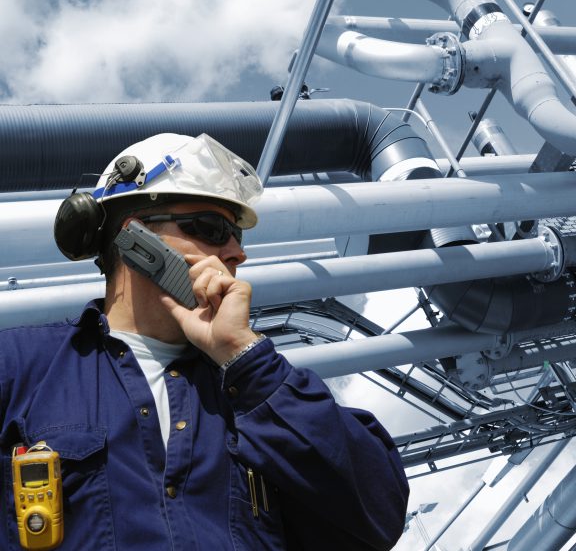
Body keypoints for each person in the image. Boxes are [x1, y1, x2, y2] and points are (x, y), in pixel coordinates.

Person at [0, 133, 409, 549]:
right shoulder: (18, 368)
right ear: (137, 239)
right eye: (211, 228)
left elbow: (380, 516)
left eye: (238, 235)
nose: (236, 252)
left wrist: (244, 359)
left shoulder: (260, 392)